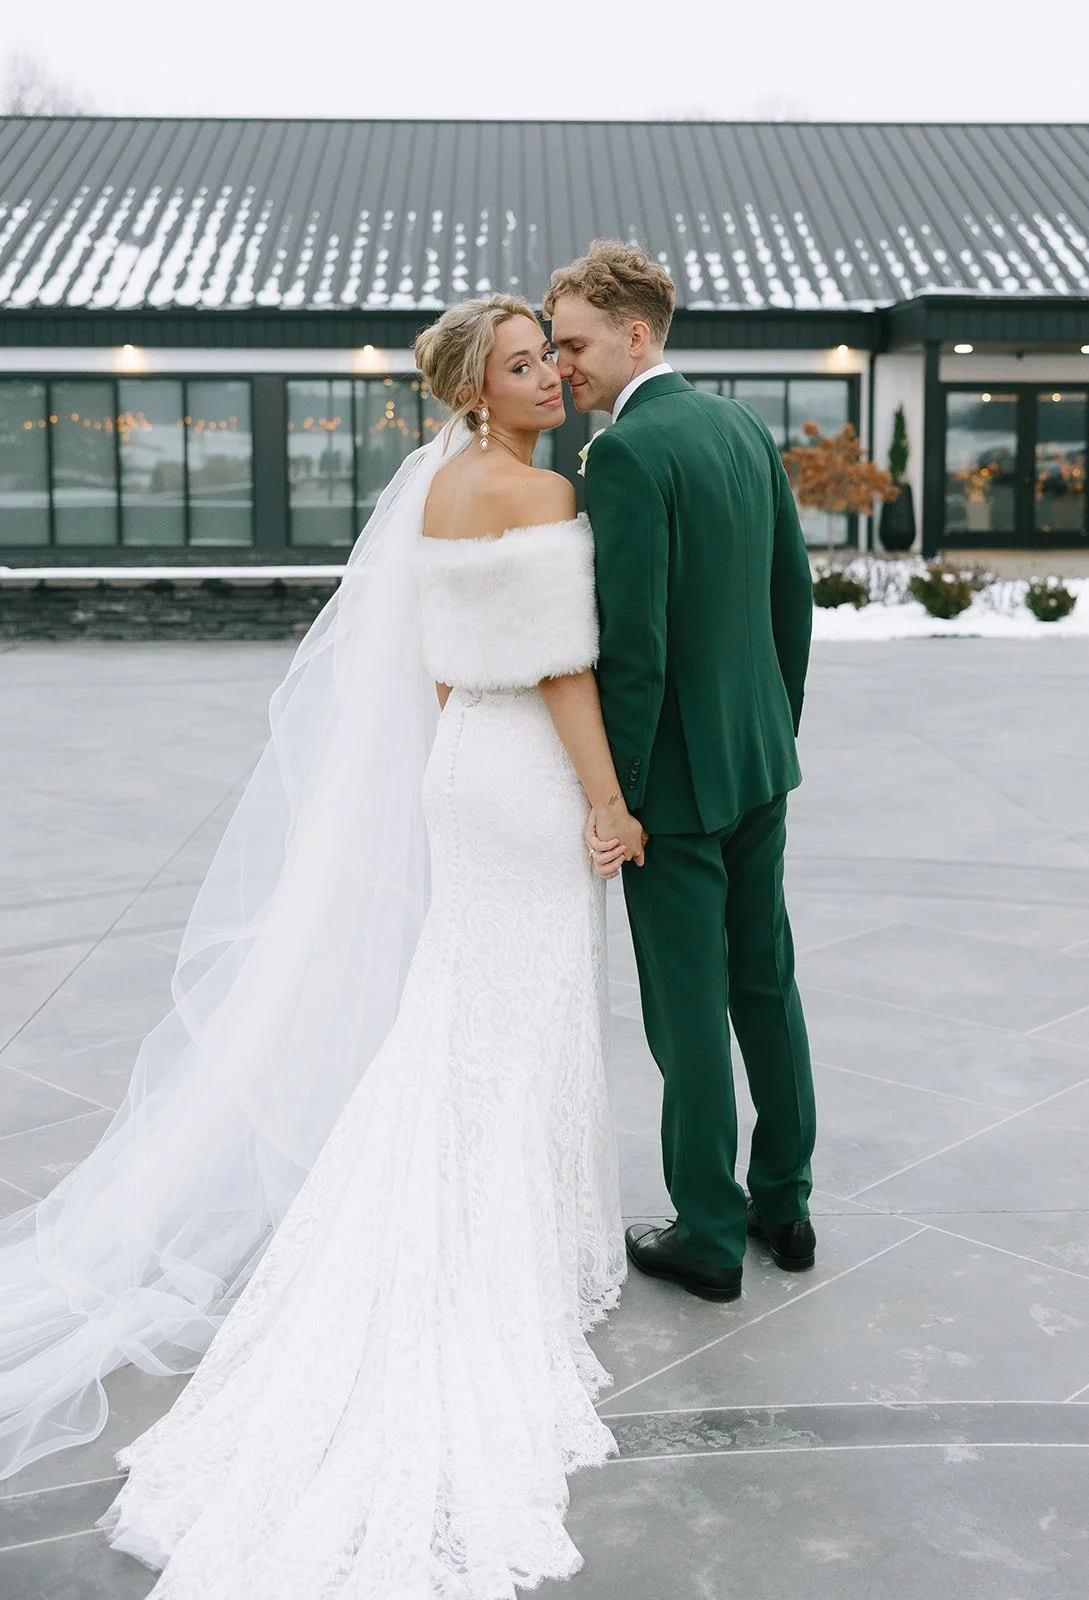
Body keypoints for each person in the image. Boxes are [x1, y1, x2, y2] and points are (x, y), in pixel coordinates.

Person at [0, 295, 645, 1595]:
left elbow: (439, 667)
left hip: (461, 764)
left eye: (548, 363)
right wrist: (608, 803)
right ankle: (510, 1233)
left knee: (463, 1007)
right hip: (524, 776)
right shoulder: (543, 501)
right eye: (523, 370)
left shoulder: (435, 495)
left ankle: (484, 1203)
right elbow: (564, 673)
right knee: (519, 1011)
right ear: (477, 390)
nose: (549, 384)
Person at [546, 241, 818, 1304]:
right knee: (767, 984)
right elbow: (790, 595)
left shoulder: (624, 453)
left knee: (688, 1009)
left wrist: (617, 797)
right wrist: (770, 731)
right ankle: (784, 1204)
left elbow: (637, 649)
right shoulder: (743, 426)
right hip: (758, 765)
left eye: (574, 343)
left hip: (677, 788)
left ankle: (709, 1233)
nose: (564, 364)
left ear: (635, 334)